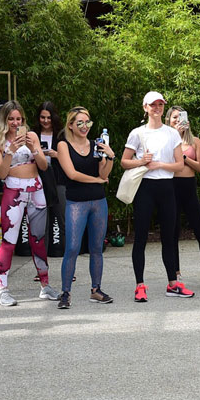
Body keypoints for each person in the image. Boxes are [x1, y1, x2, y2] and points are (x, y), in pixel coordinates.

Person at [0, 100, 61, 306]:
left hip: (36, 189)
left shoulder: (32, 136)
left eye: (18, 119)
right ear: (4, 120)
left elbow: (44, 166)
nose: (15, 122)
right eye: (11, 119)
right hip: (13, 190)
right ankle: (3, 290)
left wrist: (34, 148)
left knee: (38, 239)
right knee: (9, 241)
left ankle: (45, 286)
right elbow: (1, 173)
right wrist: (11, 151)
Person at [120, 91, 192, 302]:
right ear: (145, 107)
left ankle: (172, 283)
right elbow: (124, 162)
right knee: (140, 237)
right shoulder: (137, 133)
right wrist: (141, 161)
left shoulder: (172, 133)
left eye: (160, 104)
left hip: (167, 187)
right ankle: (139, 285)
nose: (157, 108)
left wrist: (159, 164)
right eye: (153, 105)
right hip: (145, 187)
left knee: (169, 237)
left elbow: (179, 165)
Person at [55, 106, 115, 309]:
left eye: (87, 122)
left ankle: (96, 290)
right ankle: (65, 292)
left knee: (96, 248)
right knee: (72, 248)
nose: (84, 126)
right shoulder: (63, 145)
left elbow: (104, 174)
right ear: (70, 125)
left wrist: (110, 156)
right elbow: (71, 174)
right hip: (76, 202)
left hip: (98, 201)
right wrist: (97, 181)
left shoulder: (96, 143)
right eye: (79, 122)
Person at [166, 106, 200, 289]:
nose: (178, 121)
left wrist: (185, 159)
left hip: (189, 188)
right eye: (174, 118)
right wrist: (175, 139)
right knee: (173, 233)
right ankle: (176, 274)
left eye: (181, 118)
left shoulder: (195, 141)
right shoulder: (165, 140)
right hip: (171, 188)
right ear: (168, 121)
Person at [35, 101, 66, 257]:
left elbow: (72, 159)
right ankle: (41, 261)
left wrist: (57, 155)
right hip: (38, 179)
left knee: (61, 218)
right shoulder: (33, 133)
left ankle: (65, 258)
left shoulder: (62, 135)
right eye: (42, 117)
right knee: (41, 221)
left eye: (48, 117)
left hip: (58, 179)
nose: (45, 121)